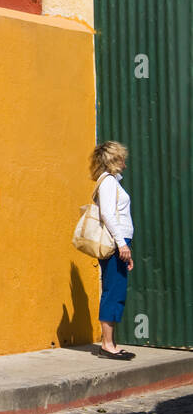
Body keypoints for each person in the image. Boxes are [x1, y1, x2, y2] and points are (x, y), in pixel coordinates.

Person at [91, 141, 135, 360]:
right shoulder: (108, 182)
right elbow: (108, 214)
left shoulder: (113, 182)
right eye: (121, 158)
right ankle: (107, 345)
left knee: (116, 290)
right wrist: (122, 244)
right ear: (112, 159)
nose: (125, 163)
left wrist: (125, 245)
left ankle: (110, 343)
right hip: (117, 243)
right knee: (113, 291)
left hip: (120, 242)